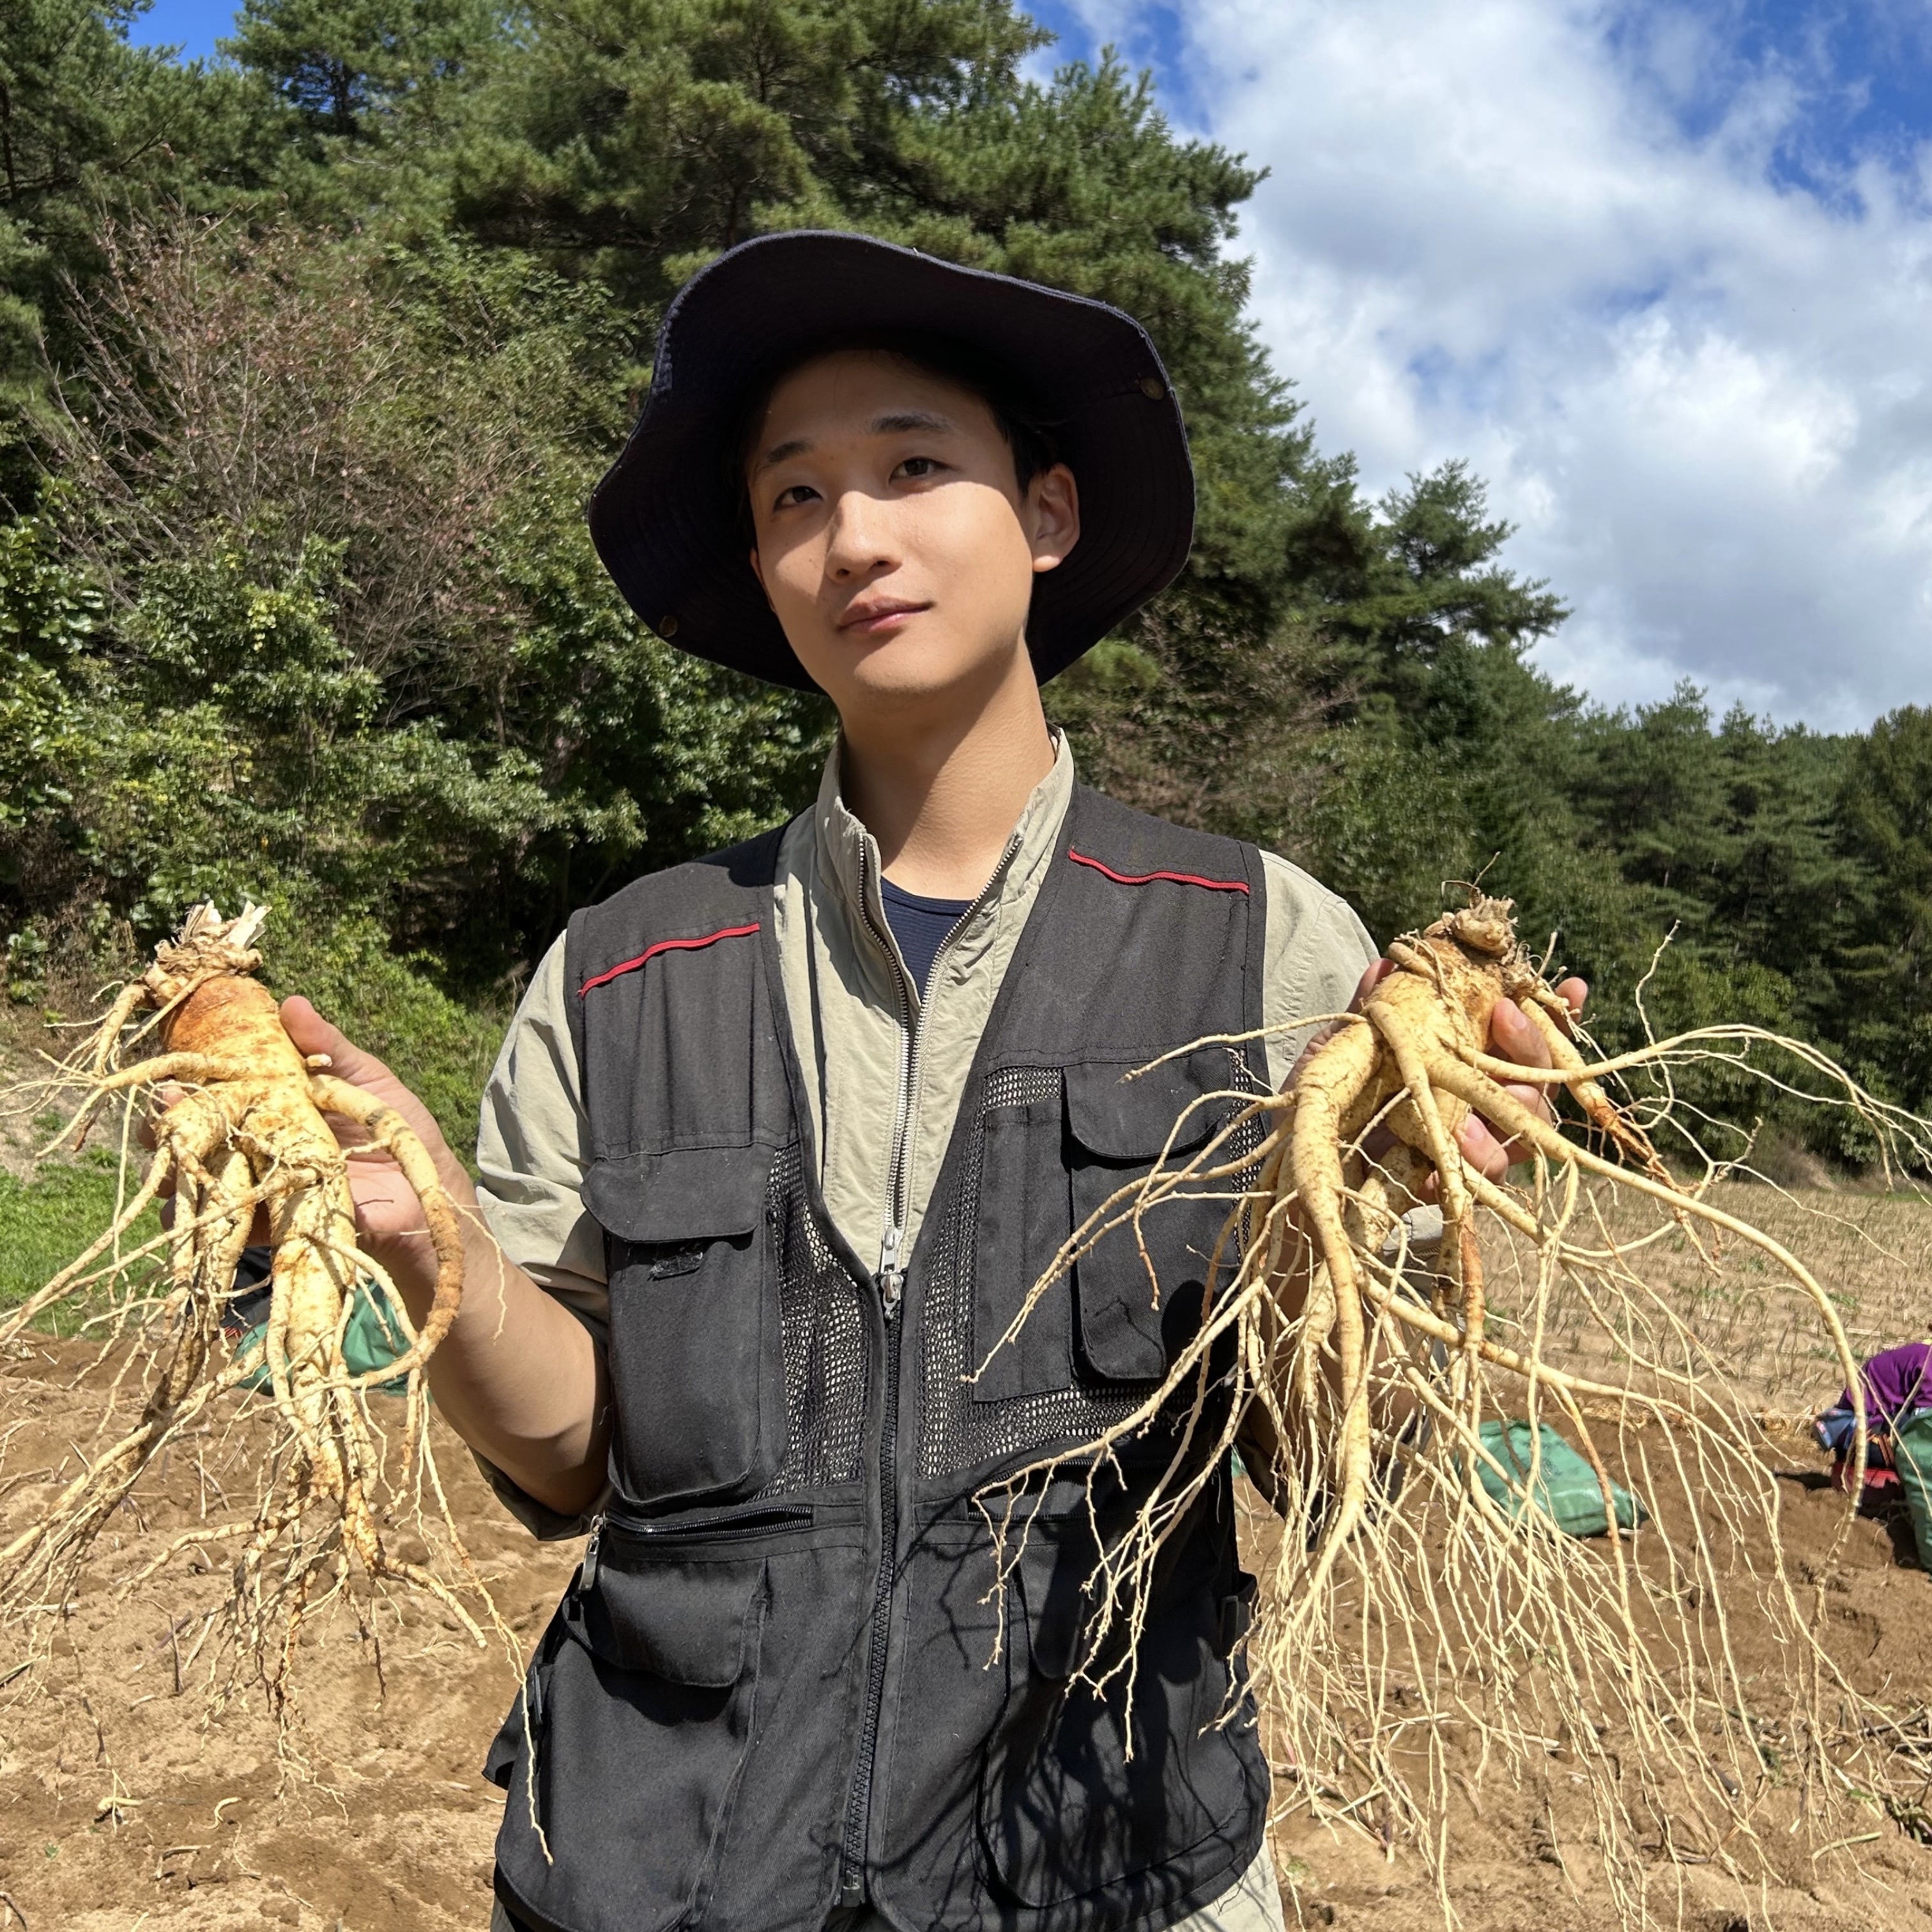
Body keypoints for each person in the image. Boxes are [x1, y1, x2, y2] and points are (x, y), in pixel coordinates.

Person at [278, 231, 1582, 1932]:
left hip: (1104, 1870)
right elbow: (580, 1456)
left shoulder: (1257, 941)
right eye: (795, 497)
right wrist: (425, 1236)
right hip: (670, 1871)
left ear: (1046, 515)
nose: (856, 536)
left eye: (912, 467)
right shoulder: (624, 967)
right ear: (758, 564)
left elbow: (1326, 1454)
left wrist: (1400, 1225)